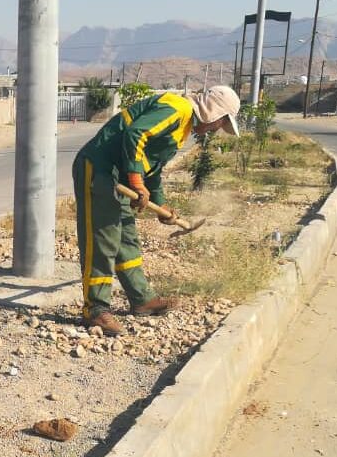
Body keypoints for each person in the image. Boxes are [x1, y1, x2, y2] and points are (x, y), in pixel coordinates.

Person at [72, 85, 241, 336]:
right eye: (220, 123)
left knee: (126, 239)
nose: (216, 129)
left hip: (121, 176)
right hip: (99, 169)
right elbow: (135, 134)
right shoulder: (177, 108)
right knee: (102, 240)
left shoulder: (183, 126)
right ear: (213, 113)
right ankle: (95, 310)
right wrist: (137, 182)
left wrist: (160, 205)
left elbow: (152, 166)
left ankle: (141, 299)